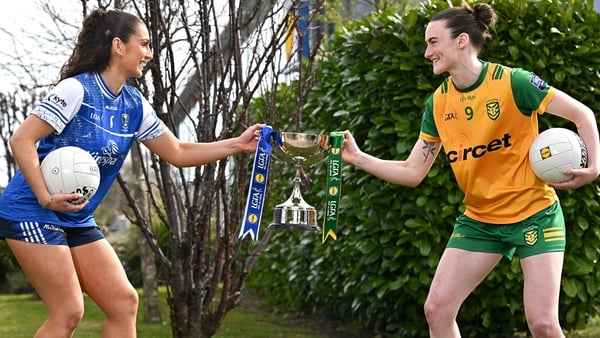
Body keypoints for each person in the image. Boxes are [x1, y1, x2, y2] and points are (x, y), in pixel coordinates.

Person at [340, 2, 599, 338]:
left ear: (461, 41)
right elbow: (412, 170)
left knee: (544, 325)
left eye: (433, 42)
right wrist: (360, 158)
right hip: (480, 221)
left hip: (535, 213)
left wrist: (593, 167)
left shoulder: (514, 83)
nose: (426, 52)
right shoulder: (438, 104)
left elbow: (583, 116)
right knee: (437, 310)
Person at [0, 8, 263, 338]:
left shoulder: (134, 104)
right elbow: (21, 139)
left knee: (123, 302)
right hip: (32, 210)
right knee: (68, 311)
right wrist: (46, 196)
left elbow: (178, 153)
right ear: (118, 46)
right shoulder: (76, 90)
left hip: (75, 215)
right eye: (144, 44)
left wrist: (237, 144)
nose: (150, 53)